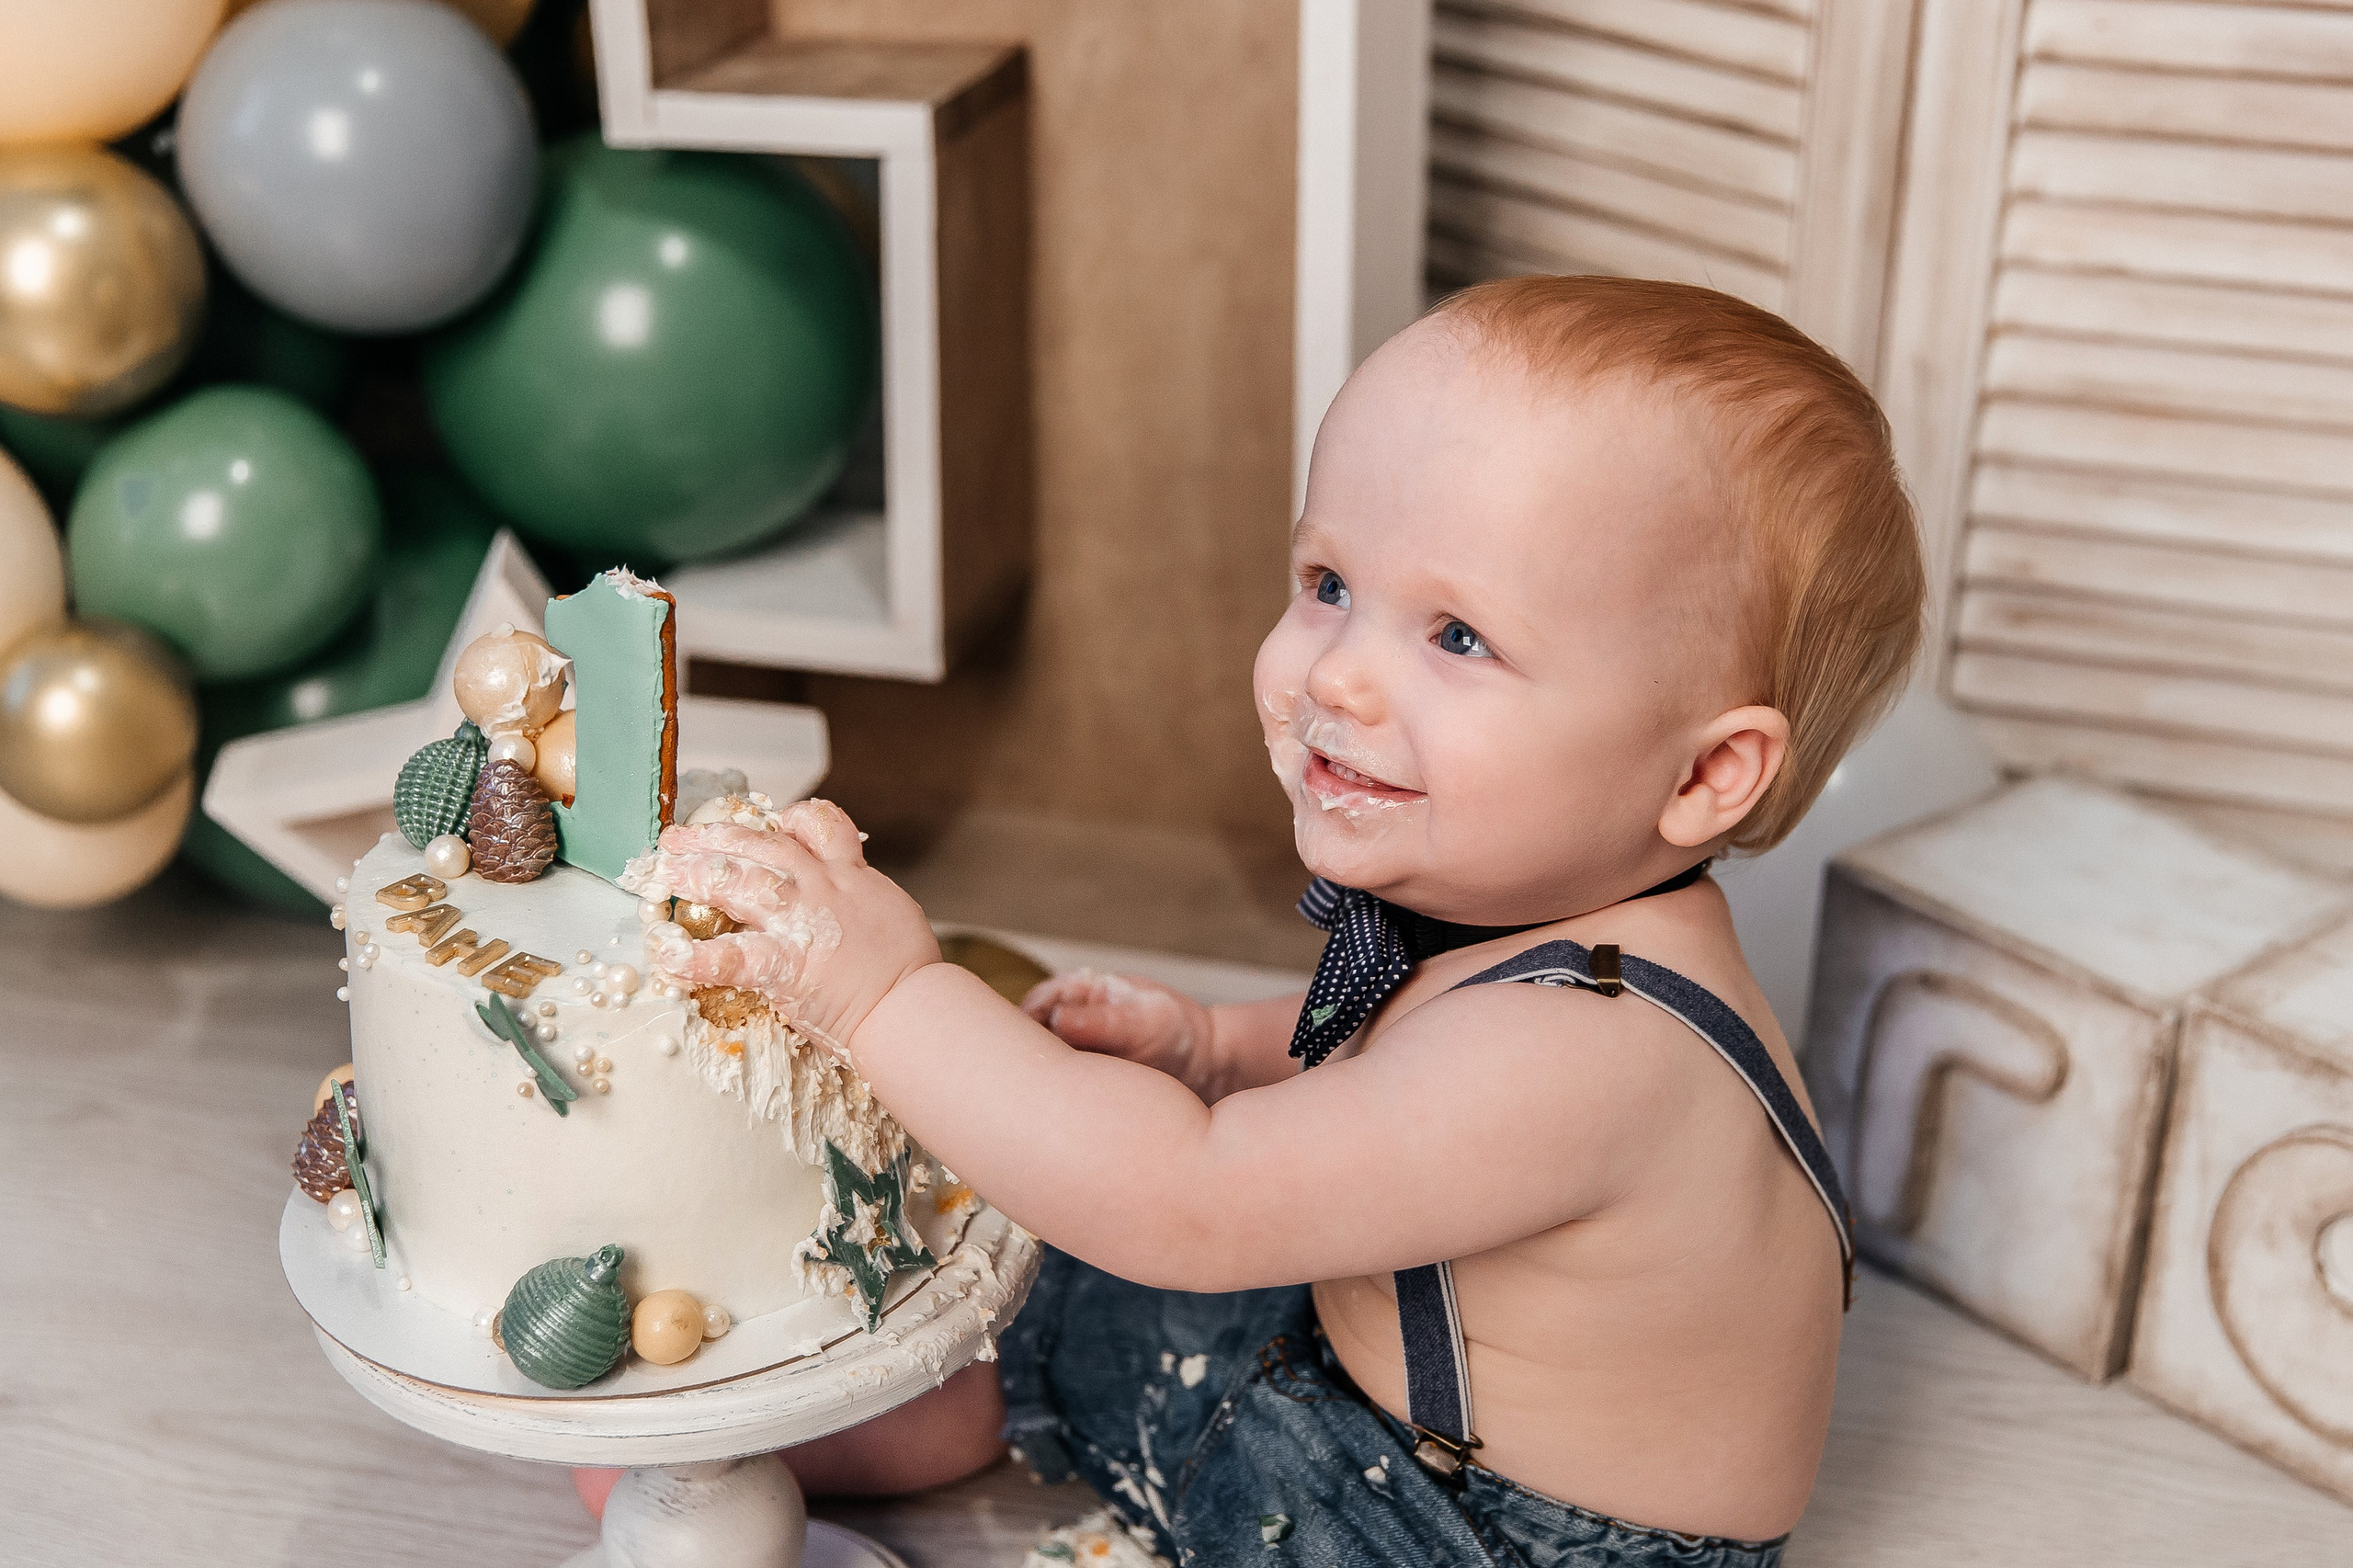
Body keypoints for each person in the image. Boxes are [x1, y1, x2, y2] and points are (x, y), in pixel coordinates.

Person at [592, 276, 1925, 1565]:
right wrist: (1221, 1048)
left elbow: (1188, 1198)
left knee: (1133, 1229)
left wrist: (882, 995)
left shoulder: (1594, 1055)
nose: (1336, 673)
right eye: (1329, 582)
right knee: (1057, 1281)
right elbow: (1406, 1063)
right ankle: (834, 1424)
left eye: (1457, 637)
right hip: (1358, 1399)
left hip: (1481, 1532)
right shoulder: (1555, 920)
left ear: (1700, 774)